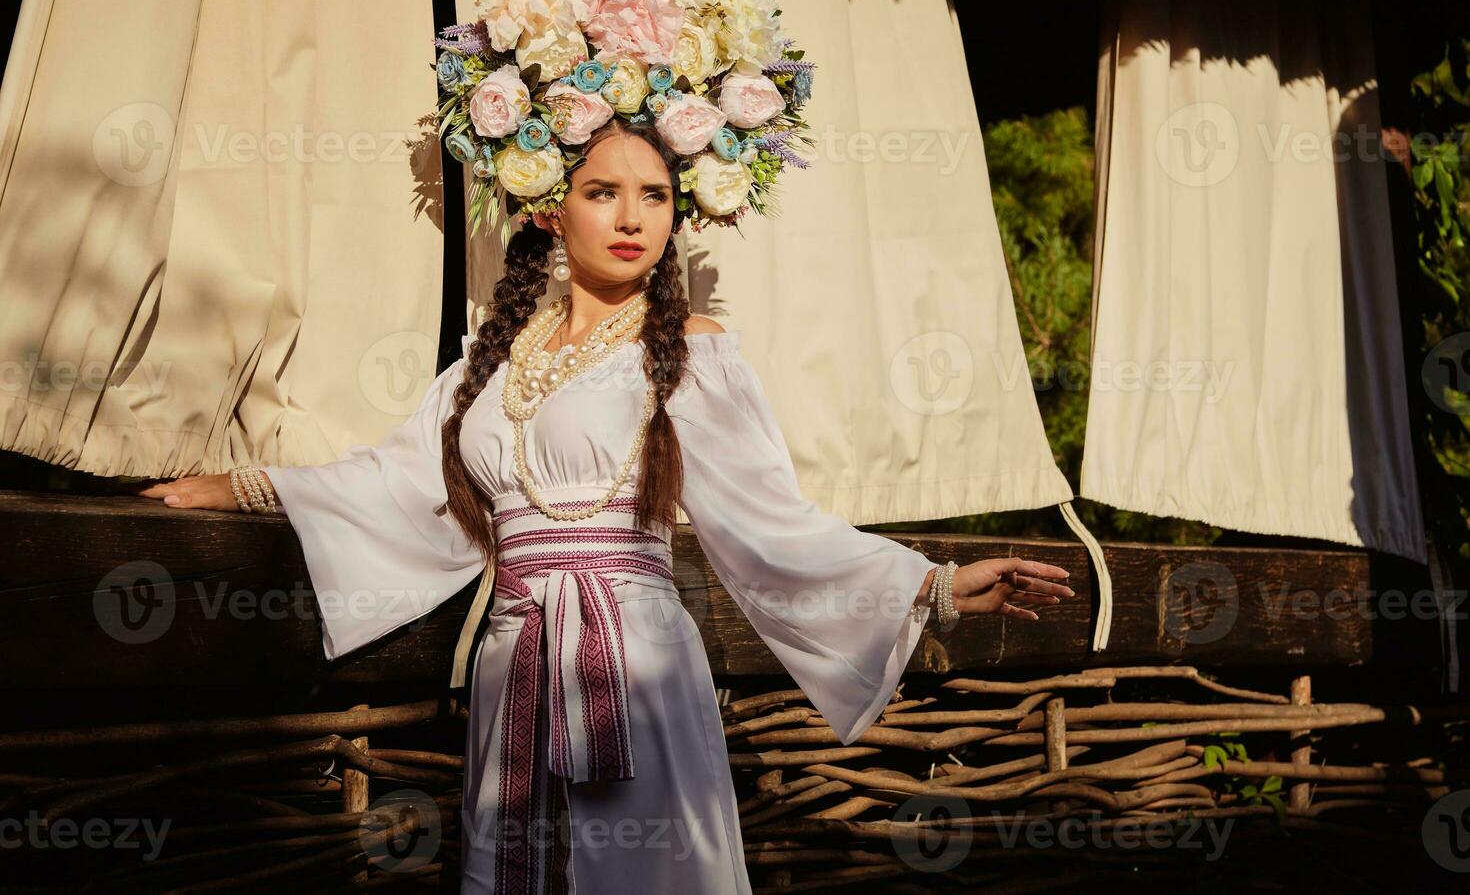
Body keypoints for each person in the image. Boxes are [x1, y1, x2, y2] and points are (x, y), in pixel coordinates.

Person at [137, 117, 1074, 892]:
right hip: (518, 655)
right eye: (603, 192)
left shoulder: (689, 350)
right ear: (550, 206)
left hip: (637, 668)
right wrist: (245, 486)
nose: (633, 217)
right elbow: (397, 482)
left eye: (656, 196)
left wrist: (933, 586)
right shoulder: (487, 362)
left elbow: (771, 519)